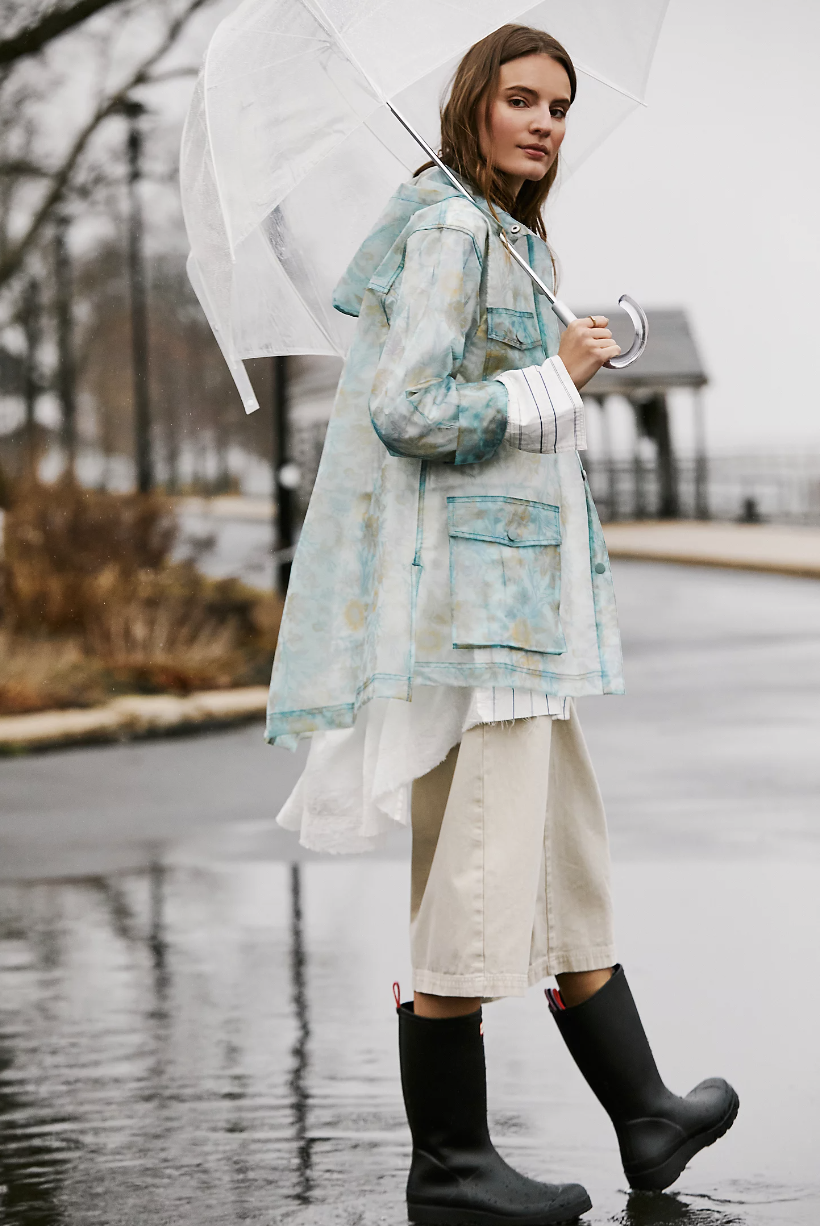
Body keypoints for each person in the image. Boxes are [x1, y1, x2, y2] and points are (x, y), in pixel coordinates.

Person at [268, 23, 738, 1226]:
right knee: (477, 872)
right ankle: (451, 1164)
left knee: (555, 853)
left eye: (560, 107)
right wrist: (552, 379)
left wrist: (553, 368)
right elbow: (406, 406)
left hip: (517, 613)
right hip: (476, 617)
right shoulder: (445, 227)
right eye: (520, 99)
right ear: (473, 104)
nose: (542, 122)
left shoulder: (507, 234)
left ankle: (643, 1110)